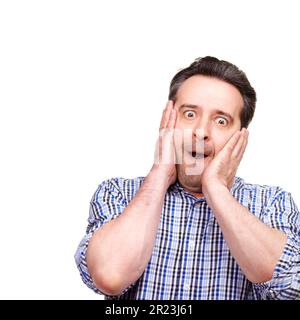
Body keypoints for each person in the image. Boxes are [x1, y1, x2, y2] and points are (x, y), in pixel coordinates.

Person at [75, 56, 300, 300]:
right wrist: (160, 173)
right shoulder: (117, 193)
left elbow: (289, 284)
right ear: (167, 122)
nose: (201, 132)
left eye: (221, 120)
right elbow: (110, 276)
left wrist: (216, 189)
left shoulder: (272, 202)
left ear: (240, 138)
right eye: (190, 114)